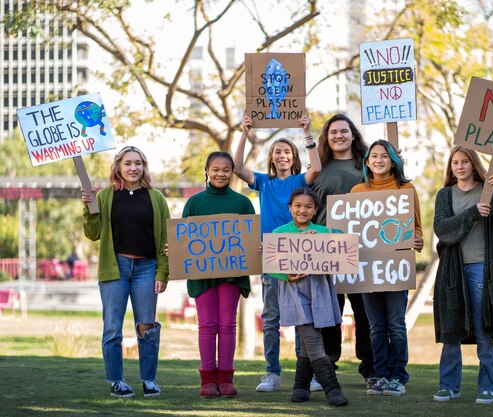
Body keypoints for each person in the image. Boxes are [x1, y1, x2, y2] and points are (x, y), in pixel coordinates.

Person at [234, 113, 321, 392]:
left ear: (293, 157)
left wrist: (307, 132)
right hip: (271, 256)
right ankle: (272, 373)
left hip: (298, 254)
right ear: (271, 158)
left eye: (286, 151)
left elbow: (316, 168)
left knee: (302, 318)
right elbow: (237, 167)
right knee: (271, 318)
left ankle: (305, 374)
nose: (281, 155)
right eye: (277, 152)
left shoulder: (300, 181)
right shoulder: (263, 182)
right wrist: (245, 133)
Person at [81, 145, 170, 398]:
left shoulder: (156, 197)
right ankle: (116, 381)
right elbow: (93, 233)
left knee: (147, 327)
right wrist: (88, 208)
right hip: (115, 268)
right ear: (118, 166)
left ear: (144, 166)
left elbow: (165, 239)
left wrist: (162, 273)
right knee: (112, 328)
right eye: (128, 163)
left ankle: (149, 380)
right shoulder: (106, 196)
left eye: (138, 163)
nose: (133, 168)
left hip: (147, 267)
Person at [432, 146, 493, 404]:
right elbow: (441, 229)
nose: (460, 166)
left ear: (474, 164)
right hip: (452, 272)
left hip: (482, 269)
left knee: (483, 330)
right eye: (455, 162)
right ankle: (449, 386)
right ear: (451, 167)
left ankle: (488, 388)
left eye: (465, 161)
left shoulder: (488, 191)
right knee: (452, 331)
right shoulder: (445, 195)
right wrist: (471, 214)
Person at [350, 139, 423, 397]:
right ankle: (378, 375)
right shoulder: (357, 192)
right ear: (366, 162)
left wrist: (417, 239)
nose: (378, 160)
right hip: (367, 269)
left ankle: (398, 376)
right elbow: (350, 231)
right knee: (375, 326)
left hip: (396, 268)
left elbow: (416, 227)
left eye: (384, 156)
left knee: (395, 324)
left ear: (393, 160)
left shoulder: (407, 189)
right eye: (374, 156)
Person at [180, 151, 255, 398]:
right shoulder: (194, 202)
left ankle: (226, 379)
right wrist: (177, 247)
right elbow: (184, 238)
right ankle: (207, 380)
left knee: (227, 324)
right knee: (207, 325)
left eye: (225, 170)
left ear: (232, 172)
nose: (220, 174)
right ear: (207, 171)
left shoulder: (242, 202)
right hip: (203, 274)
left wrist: (257, 247)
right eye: (215, 169)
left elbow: (249, 238)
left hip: (232, 273)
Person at [313, 114, 375, 385]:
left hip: (362, 249)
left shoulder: (368, 166)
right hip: (325, 249)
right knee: (328, 312)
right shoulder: (318, 167)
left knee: (364, 313)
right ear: (326, 138)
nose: (338, 135)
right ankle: (326, 368)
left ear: (353, 135)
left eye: (343, 131)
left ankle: (370, 369)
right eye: (333, 132)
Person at [271, 188, 347, 406]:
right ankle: (332, 389)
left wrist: (324, 241)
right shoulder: (279, 232)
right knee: (312, 339)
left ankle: (300, 387)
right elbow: (270, 265)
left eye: (307, 207)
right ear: (290, 208)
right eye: (297, 206)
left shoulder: (322, 231)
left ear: (314, 210)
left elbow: (344, 244)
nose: (302, 210)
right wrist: (286, 274)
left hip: (319, 289)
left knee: (307, 340)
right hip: (293, 290)